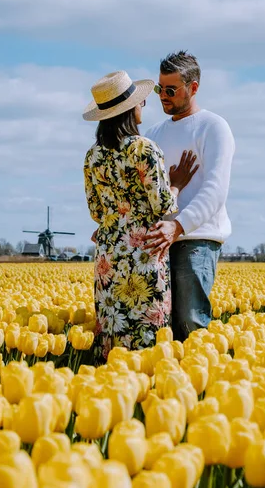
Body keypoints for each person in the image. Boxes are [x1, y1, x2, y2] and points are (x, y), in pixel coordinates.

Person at [82, 70, 197, 362]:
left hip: (109, 256)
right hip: (143, 255)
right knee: (147, 336)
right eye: (140, 102)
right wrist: (177, 183)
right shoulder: (144, 149)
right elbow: (162, 207)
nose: (142, 106)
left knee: (113, 334)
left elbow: (96, 211)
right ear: (129, 110)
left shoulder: (92, 156)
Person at [144, 51, 235, 341]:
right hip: (158, 239)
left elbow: (216, 189)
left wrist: (179, 225)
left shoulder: (214, 127)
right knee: (159, 328)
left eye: (171, 90)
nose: (163, 96)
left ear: (193, 87)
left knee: (189, 323)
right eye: (160, 89)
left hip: (195, 239)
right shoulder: (153, 133)